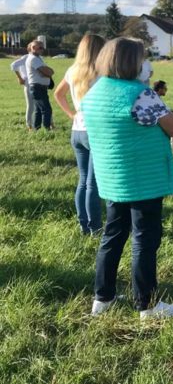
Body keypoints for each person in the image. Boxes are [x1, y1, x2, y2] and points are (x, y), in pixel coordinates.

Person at [80, 37, 173, 320]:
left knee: (112, 235)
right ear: (133, 63)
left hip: (113, 178)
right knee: (145, 238)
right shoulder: (142, 95)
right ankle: (147, 304)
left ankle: (103, 298)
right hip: (143, 178)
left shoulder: (94, 91)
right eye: (142, 58)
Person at [53, 34, 106, 236]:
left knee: (83, 180)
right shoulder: (102, 72)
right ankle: (95, 227)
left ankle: (84, 225)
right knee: (93, 182)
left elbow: (58, 94)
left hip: (77, 130)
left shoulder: (72, 70)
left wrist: (72, 115)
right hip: (95, 130)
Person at [25, 39, 54, 130]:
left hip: (40, 88)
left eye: (43, 47)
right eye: (40, 47)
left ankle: (36, 129)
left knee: (38, 110)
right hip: (37, 87)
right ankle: (47, 129)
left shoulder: (38, 58)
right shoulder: (33, 59)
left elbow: (47, 71)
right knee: (47, 109)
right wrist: (48, 71)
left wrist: (47, 71)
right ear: (33, 48)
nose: (42, 49)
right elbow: (47, 72)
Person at [10, 48, 33, 129]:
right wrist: (19, 77)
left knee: (44, 105)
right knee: (30, 105)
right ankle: (29, 125)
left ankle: (51, 124)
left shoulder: (40, 58)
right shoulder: (25, 58)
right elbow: (13, 65)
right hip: (28, 83)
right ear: (29, 50)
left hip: (39, 84)